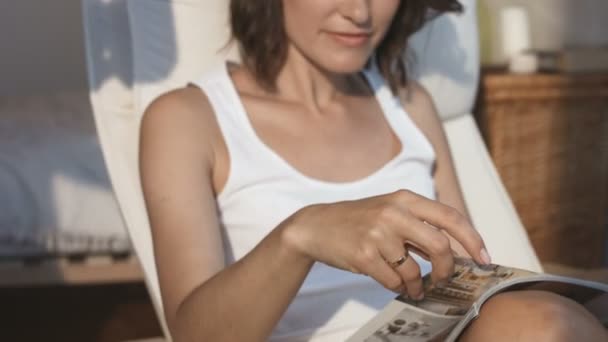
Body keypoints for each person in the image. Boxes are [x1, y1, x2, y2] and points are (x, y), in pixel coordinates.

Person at [139, 1, 607, 341]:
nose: (361, 12)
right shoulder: (187, 119)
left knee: (548, 323)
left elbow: (467, 268)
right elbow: (194, 333)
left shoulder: (409, 105)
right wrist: (299, 237)